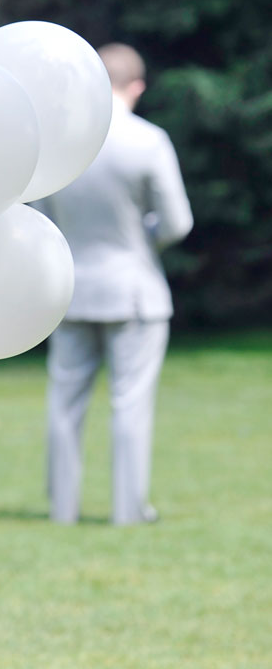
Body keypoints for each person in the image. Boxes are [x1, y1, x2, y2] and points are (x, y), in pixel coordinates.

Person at [36, 43, 192, 525]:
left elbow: (42, 220)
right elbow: (176, 223)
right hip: (133, 289)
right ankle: (128, 511)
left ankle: (63, 509)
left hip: (70, 292)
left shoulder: (61, 143)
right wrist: (143, 235)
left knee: (63, 403)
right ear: (137, 86)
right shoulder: (149, 140)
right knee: (130, 405)